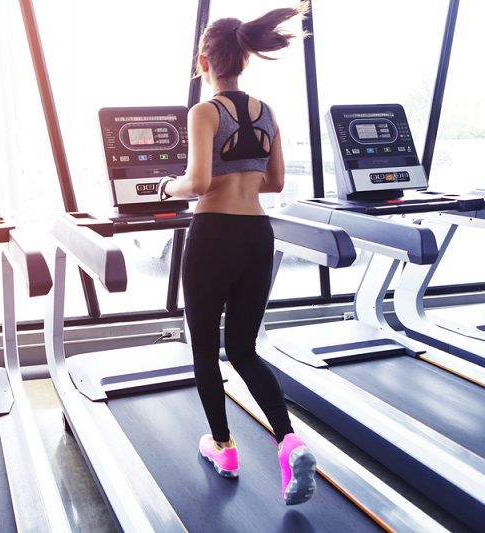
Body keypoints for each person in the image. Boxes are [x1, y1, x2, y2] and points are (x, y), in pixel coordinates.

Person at [158, 4, 316, 506]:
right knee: (244, 348)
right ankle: (290, 443)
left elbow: (198, 183)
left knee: (205, 349)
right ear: (245, 60)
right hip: (257, 235)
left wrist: (166, 187)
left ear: (204, 63)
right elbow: (274, 182)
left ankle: (224, 448)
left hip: (214, 234)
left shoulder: (205, 112)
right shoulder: (266, 111)